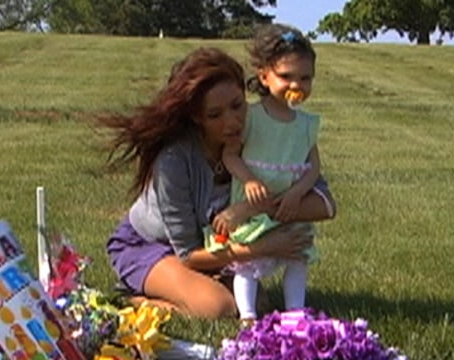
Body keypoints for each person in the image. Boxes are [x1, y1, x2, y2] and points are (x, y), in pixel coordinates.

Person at [101, 47, 336, 319]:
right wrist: (261, 249)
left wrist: (247, 210)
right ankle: (133, 300)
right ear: (196, 116)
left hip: (213, 246)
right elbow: (188, 255)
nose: (232, 122)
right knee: (220, 308)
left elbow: (325, 206)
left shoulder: (257, 135)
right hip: (151, 246)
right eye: (215, 115)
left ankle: (190, 287)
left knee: (257, 305)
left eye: (237, 105)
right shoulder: (173, 161)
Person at [207, 24, 325, 323]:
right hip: (253, 209)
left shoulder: (306, 125)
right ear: (264, 76)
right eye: (286, 77)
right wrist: (249, 180)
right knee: (248, 264)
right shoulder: (252, 118)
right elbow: (229, 155)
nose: (295, 85)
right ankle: (247, 315)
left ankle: (296, 312)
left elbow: (314, 167)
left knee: (297, 257)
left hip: (288, 207)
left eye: (305, 78)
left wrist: (299, 193)